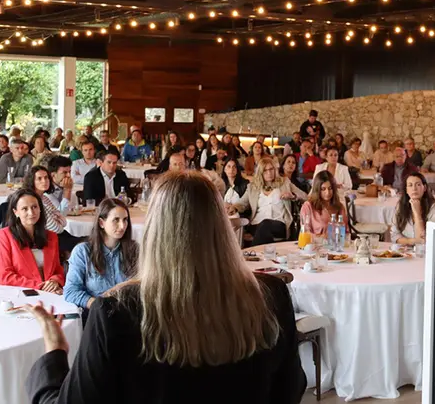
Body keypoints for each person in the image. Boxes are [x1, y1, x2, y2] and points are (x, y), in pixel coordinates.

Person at [25, 172, 306, 404]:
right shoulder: (271, 296)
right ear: (222, 227)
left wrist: (54, 353)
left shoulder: (116, 312)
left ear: (155, 231)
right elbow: (290, 390)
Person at [64, 198, 138, 310]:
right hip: (97, 315)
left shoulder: (134, 249)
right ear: (101, 223)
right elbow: (71, 292)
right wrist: (99, 306)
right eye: (116, 220)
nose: (123, 226)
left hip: (129, 313)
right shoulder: (83, 251)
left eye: (125, 220)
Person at [0, 188, 65, 293]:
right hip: (19, 293)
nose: (31, 213)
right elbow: (5, 277)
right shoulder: (3, 236)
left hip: (50, 292)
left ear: (40, 209)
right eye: (24, 209)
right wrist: (40, 287)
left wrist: (55, 281)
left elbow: (58, 270)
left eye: (34, 207)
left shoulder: (51, 236)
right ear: (15, 212)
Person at [226, 157, 301, 246]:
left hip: (279, 224)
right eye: (265, 170)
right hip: (256, 224)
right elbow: (242, 202)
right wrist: (234, 207)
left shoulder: (284, 183)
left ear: (275, 169)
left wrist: (293, 196)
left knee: (265, 224)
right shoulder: (253, 187)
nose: (269, 173)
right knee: (263, 229)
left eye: (271, 169)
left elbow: (305, 196)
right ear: (260, 173)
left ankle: (251, 254)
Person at [22, 165, 82, 255]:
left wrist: (60, 222)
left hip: (59, 235)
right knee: (87, 243)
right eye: (39, 178)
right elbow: (56, 228)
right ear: (32, 181)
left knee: (90, 240)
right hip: (47, 239)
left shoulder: (44, 198)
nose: (44, 181)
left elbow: (62, 218)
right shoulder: (34, 201)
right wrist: (59, 222)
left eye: (46, 178)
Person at [391, 172, 435, 245]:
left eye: (418, 184)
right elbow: (394, 235)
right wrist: (412, 241)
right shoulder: (401, 206)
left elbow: (426, 241)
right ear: (406, 190)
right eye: (410, 185)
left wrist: (417, 213)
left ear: (424, 188)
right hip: (404, 251)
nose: (414, 188)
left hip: (425, 252)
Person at [299, 171, 349, 235]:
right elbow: (305, 232)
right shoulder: (308, 206)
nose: (327, 192)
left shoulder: (339, 207)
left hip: (338, 244)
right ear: (317, 190)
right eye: (323, 189)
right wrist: (321, 238)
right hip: (315, 244)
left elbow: (346, 232)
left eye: (330, 188)